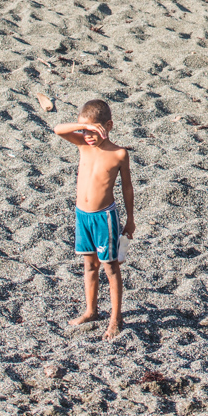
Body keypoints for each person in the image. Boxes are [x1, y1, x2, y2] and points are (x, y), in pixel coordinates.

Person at [54, 99, 135, 340]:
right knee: (89, 265)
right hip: (82, 215)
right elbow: (58, 129)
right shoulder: (83, 144)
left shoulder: (119, 154)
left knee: (110, 267)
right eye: (84, 131)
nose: (88, 136)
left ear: (108, 126)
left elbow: (127, 188)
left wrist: (130, 219)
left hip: (104, 217)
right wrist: (85, 128)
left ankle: (116, 318)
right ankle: (91, 310)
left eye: (93, 131)